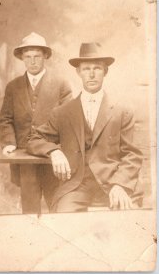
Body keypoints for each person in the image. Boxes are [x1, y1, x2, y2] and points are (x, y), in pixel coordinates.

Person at [27, 42, 143, 213]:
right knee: (63, 219)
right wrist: (54, 151)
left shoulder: (122, 111)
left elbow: (132, 154)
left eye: (97, 68)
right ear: (78, 72)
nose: (91, 74)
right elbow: (34, 139)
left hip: (113, 181)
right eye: (86, 69)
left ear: (105, 72)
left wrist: (120, 184)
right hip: (76, 185)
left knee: (127, 221)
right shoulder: (62, 112)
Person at [0, 32, 72, 214]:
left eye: (37, 56)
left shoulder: (61, 84)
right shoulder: (13, 87)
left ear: (45, 56)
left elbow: (69, 121)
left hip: (52, 157)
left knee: (57, 208)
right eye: (28, 57)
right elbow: (5, 118)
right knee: (29, 211)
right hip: (24, 158)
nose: (32, 61)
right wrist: (9, 142)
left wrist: (58, 150)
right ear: (22, 58)